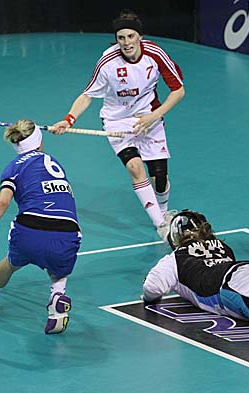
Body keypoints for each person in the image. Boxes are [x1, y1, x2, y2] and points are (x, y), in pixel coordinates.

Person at [50, 9, 185, 241]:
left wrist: (154, 116)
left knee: (160, 178)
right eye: (121, 38)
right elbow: (87, 95)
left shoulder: (155, 54)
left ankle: (163, 211)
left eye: (131, 36)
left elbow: (178, 90)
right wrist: (68, 119)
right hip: (117, 120)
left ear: (139, 37)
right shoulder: (107, 62)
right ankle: (161, 224)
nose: (126, 42)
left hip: (149, 116)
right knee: (134, 167)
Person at [0, 120, 82, 334]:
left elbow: (2, 202)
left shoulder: (13, 168)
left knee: (10, 263)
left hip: (29, 231)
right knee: (58, 268)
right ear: (39, 141)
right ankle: (57, 298)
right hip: (68, 232)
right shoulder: (55, 162)